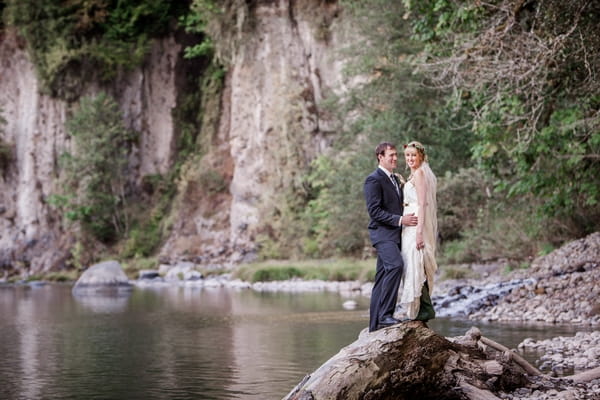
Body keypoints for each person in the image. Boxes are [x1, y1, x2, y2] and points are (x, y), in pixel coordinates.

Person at [364, 142, 418, 332]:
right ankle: (386, 315)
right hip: (382, 234)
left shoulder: (395, 179)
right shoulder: (373, 180)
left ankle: (374, 325)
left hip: (395, 236)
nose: (395, 158)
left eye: (396, 155)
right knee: (396, 265)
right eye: (391, 155)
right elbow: (374, 212)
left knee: (382, 277)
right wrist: (400, 220)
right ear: (380, 156)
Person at [399, 141, 438, 324]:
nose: (410, 159)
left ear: (421, 156)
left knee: (417, 262)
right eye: (407, 155)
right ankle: (419, 309)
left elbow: (422, 204)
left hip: (416, 223)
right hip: (409, 223)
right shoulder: (414, 174)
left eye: (413, 155)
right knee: (412, 263)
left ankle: (425, 309)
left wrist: (420, 232)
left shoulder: (421, 173)